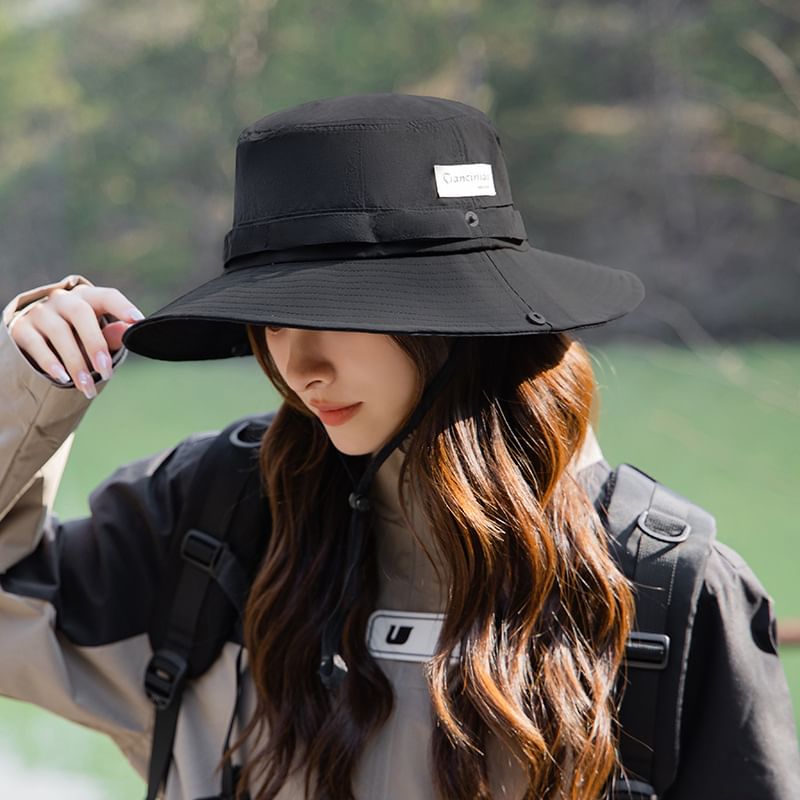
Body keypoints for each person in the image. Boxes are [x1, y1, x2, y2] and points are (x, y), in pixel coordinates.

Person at [0, 93, 798, 800]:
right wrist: (26, 383)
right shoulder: (217, 524)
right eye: (272, 319)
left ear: (458, 321)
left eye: (337, 314)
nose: (298, 367)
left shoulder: (659, 585)